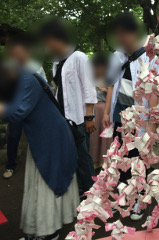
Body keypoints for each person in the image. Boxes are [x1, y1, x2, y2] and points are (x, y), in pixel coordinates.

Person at [0, 64, 79, 240]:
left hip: (51, 137)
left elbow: (17, 111)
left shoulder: (27, 79)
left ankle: (49, 232)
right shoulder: (20, 77)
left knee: (46, 184)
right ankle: (37, 230)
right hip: (42, 136)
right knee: (37, 184)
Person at [103, 13, 159, 221]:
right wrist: (108, 112)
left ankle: (139, 200)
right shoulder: (116, 56)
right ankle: (125, 196)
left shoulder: (150, 57)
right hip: (119, 117)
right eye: (117, 35)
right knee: (121, 158)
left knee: (139, 160)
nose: (119, 39)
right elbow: (111, 84)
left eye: (122, 34)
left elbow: (154, 93)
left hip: (139, 119)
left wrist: (151, 125)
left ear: (133, 33)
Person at [39, 18, 97, 196]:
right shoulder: (57, 63)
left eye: (49, 42)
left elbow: (89, 88)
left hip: (79, 118)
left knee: (83, 157)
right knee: (71, 156)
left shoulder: (79, 57)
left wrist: (89, 117)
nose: (48, 47)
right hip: (64, 118)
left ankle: (93, 193)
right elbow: (58, 91)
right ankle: (81, 190)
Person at [3, 33, 48, 179]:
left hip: (34, 109)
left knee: (38, 136)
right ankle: (11, 165)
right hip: (16, 107)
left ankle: (40, 164)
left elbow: (45, 86)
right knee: (13, 136)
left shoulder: (36, 66)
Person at [89, 53, 113, 169]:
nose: (99, 69)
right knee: (93, 136)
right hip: (93, 111)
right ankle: (93, 160)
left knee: (105, 137)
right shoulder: (90, 78)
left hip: (105, 110)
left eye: (102, 66)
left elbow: (114, 96)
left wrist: (106, 90)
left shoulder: (110, 79)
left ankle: (105, 162)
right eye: (96, 66)